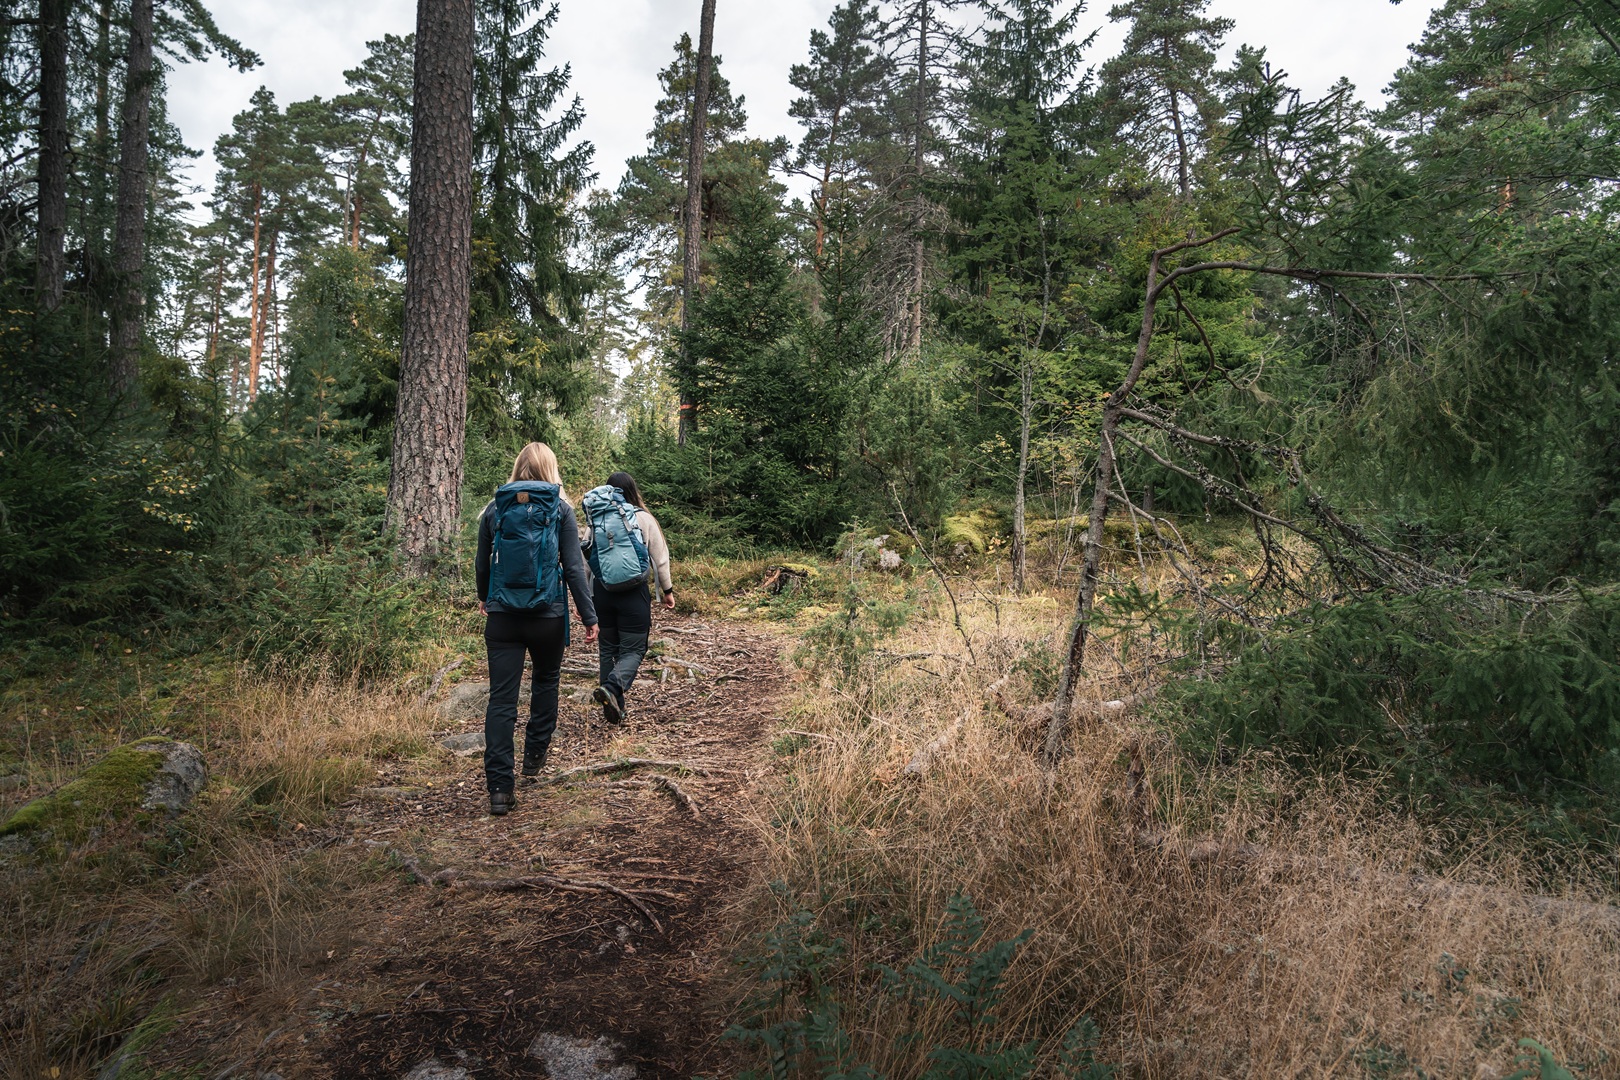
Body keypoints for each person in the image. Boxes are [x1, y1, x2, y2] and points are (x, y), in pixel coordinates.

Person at [475, 442, 597, 816]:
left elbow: (482, 562)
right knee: (546, 681)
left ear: (517, 468)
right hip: (548, 616)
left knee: (501, 700)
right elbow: (574, 567)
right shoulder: (560, 509)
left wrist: (484, 597)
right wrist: (589, 616)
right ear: (551, 469)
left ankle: (500, 789)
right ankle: (534, 756)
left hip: (503, 617)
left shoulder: (495, 508)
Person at [580, 470, 673, 724]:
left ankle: (614, 708)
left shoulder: (596, 519)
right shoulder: (643, 518)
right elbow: (660, 559)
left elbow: (585, 562)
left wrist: (584, 599)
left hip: (602, 592)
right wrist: (667, 591)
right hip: (634, 593)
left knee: (608, 650)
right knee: (634, 648)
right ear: (633, 490)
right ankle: (612, 688)